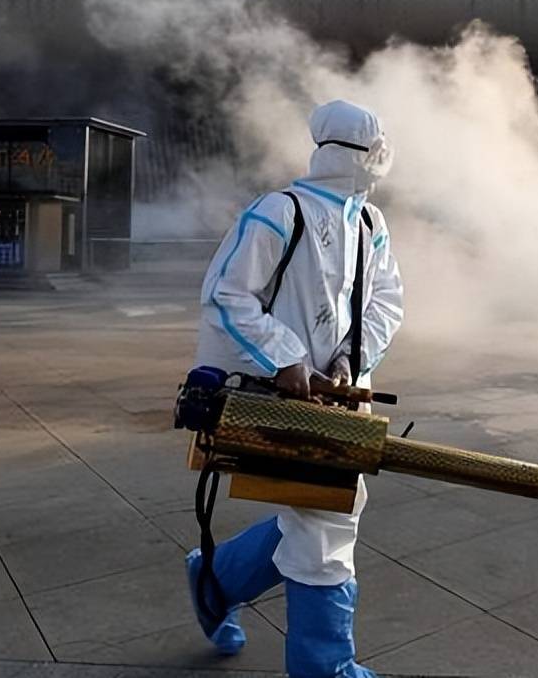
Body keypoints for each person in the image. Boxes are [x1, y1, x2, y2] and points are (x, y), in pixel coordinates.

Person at [187, 100, 403, 677]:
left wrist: (347, 364)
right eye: (378, 151)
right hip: (275, 397)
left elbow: (386, 302)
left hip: (337, 399)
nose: (383, 163)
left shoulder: (370, 224)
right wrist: (286, 358)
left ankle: (214, 578)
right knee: (324, 523)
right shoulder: (278, 212)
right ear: (356, 154)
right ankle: (324, 667)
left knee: (329, 507)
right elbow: (226, 296)